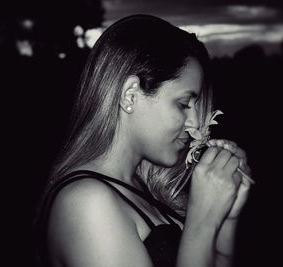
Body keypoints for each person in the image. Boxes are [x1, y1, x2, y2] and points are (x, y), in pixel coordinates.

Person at [35, 14, 252, 267]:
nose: (195, 124)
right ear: (130, 95)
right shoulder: (86, 203)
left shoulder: (141, 189)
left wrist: (226, 217)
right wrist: (202, 220)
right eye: (183, 104)